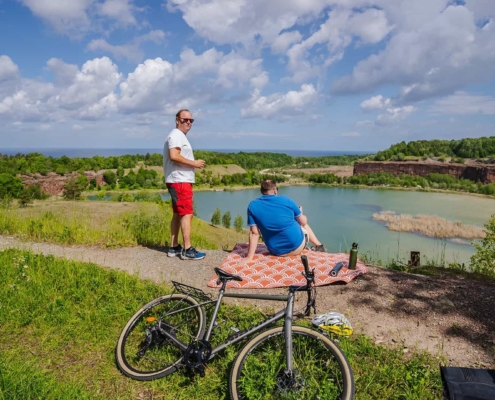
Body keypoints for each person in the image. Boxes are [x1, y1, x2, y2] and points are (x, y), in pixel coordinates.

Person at [242, 179, 326, 262]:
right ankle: (319, 246)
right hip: (297, 247)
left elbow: (254, 233)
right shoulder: (286, 200)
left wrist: (249, 257)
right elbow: (303, 222)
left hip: (276, 251)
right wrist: (301, 213)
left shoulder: (252, 206)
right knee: (301, 223)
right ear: (275, 190)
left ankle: (318, 246)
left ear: (261, 190)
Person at [163, 109, 206, 260]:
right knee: (187, 213)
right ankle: (188, 250)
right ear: (177, 120)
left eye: (191, 120)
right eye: (185, 119)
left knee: (177, 213)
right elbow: (174, 156)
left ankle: (174, 247)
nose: (188, 122)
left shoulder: (178, 136)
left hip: (176, 180)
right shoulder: (176, 135)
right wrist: (193, 163)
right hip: (180, 181)